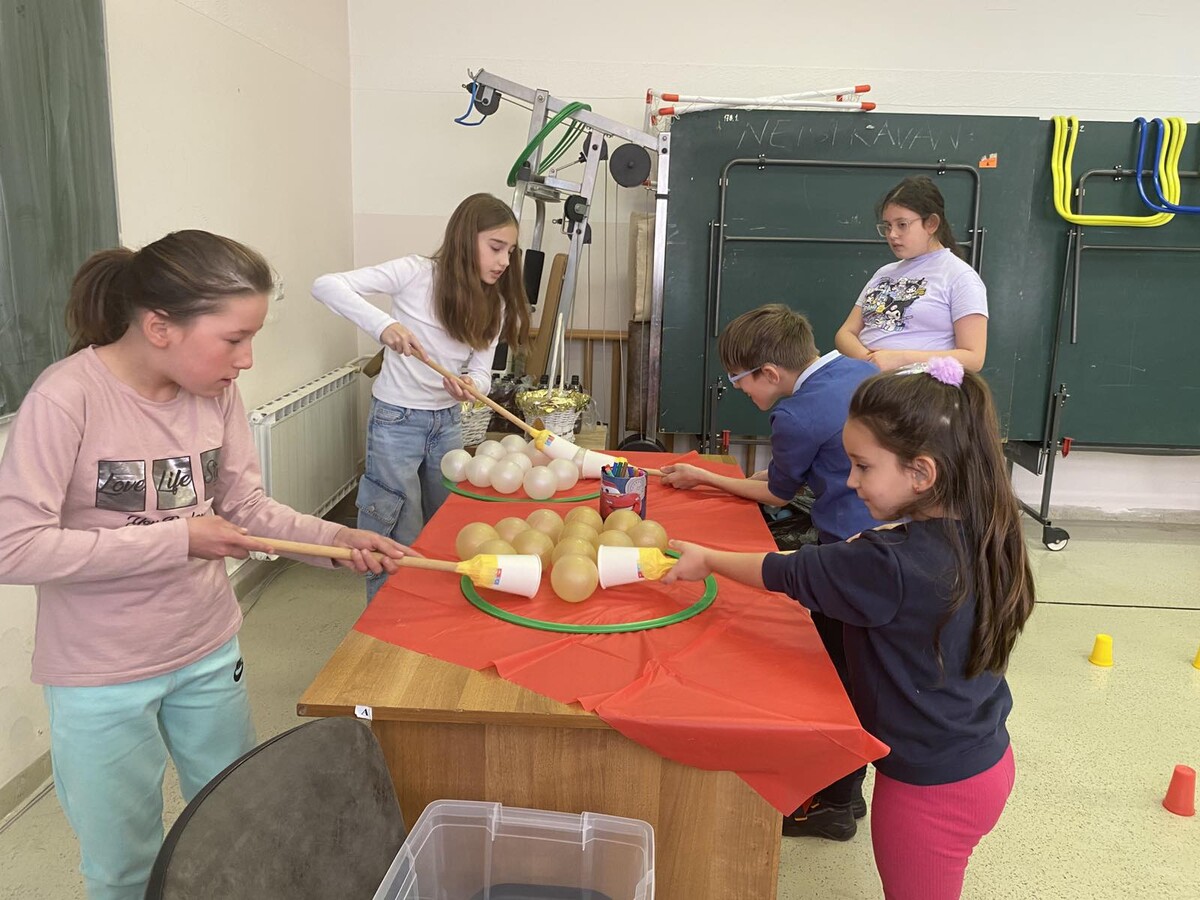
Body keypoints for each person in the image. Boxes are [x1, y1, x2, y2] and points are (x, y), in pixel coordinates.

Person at [0, 230, 411, 900]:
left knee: (237, 827)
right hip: (100, 675)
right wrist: (178, 538)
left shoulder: (214, 392)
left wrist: (338, 538)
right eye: (233, 339)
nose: (246, 361)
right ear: (159, 327)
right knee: (123, 866)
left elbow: (245, 507)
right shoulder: (67, 397)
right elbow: (14, 545)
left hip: (206, 651)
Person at [665, 357, 1035, 900]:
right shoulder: (984, 526)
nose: (848, 481)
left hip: (929, 792)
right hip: (986, 759)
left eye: (862, 466)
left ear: (922, 473)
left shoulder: (888, 564)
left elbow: (788, 572)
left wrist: (708, 559)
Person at [660, 303, 883, 840]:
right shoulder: (859, 370)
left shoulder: (796, 414)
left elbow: (778, 492)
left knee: (835, 674)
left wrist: (705, 478)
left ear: (769, 373)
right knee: (856, 670)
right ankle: (847, 794)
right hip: (887, 539)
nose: (740, 392)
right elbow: (794, 471)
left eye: (739, 382)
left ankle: (834, 803)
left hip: (848, 551)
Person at [312, 193, 531, 600]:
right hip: (396, 421)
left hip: (447, 422)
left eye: (510, 251)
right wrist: (384, 326)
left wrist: (471, 385)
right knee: (396, 528)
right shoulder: (415, 273)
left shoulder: (495, 302)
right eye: (495, 247)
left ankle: (431, 611)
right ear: (465, 238)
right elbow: (326, 285)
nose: (504, 261)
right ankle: (387, 618)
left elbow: (482, 372)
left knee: (446, 524)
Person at [835, 176, 988, 372]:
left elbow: (974, 358)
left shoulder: (960, 277)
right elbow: (846, 333)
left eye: (902, 224)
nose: (892, 234)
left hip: (916, 384)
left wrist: (901, 359)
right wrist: (870, 362)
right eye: (887, 226)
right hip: (864, 376)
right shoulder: (884, 273)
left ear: (931, 223)